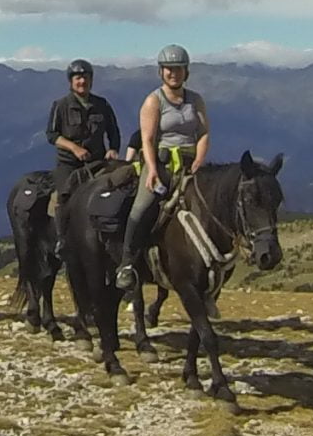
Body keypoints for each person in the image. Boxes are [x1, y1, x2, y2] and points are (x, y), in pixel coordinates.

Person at [116, 45, 211, 290]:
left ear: (185, 72)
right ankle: (127, 263)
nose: (173, 73)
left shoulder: (196, 100)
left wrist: (200, 158)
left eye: (178, 69)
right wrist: (152, 169)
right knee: (141, 206)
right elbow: (146, 139)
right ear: (161, 72)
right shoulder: (153, 101)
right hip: (162, 164)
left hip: (190, 165)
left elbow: (203, 133)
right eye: (169, 69)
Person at [45, 59, 121, 220]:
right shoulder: (61, 105)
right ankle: (62, 238)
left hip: (97, 163)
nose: (82, 81)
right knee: (64, 198)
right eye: (78, 78)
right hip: (68, 164)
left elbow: (113, 131)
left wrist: (113, 149)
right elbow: (52, 135)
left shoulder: (102, 104)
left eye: (86, 77)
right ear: (71, 81)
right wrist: (74, 148)